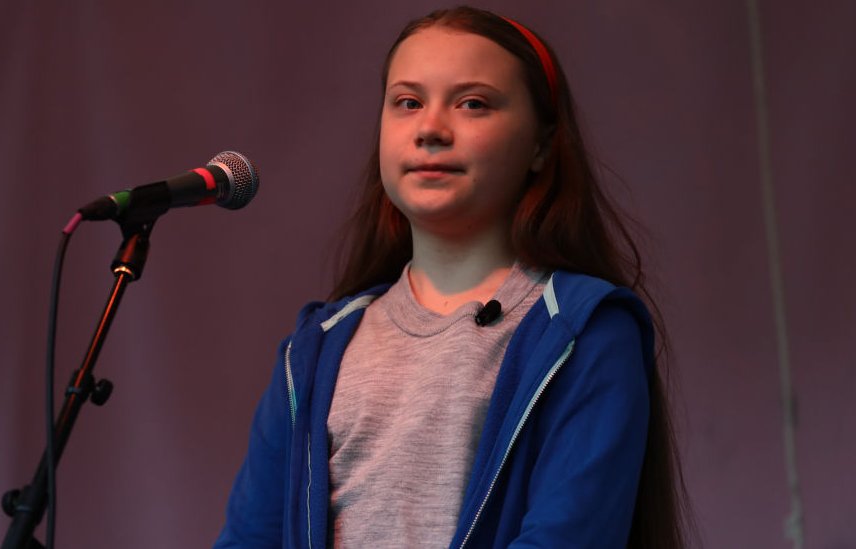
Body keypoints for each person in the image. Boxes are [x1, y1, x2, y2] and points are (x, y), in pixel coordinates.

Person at [216, 6, 687, 548]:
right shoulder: (316, 350)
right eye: (408, 102)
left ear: (541, 143)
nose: (431, 129)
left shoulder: (583, 331)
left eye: (473, 104)